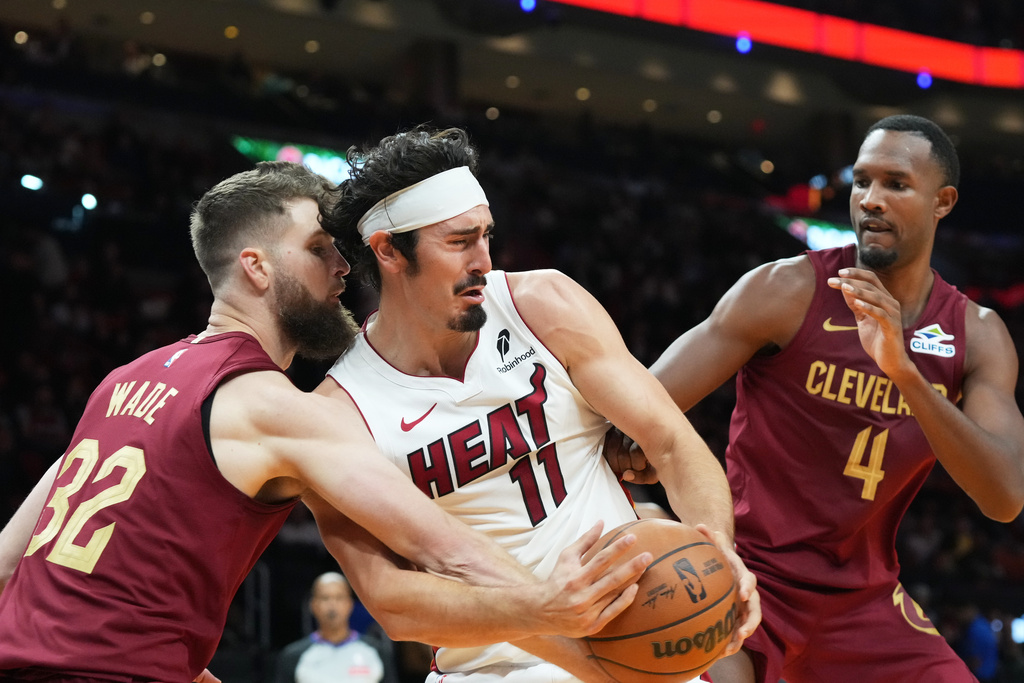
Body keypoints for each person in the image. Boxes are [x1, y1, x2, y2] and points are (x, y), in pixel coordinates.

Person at [0, 161, 656, 682]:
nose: (343, 268)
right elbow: (445, 549)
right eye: (319, 249)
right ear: (255, 267)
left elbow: (11, 564)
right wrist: (594, 649)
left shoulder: (121, 383)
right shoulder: (271, 404)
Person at [316, 126, 760, 682]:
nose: (483, 259)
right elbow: (391, 599)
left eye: (486, 236)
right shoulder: (339, 411)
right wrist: (552, 619)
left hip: (636, 640)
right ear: (389, 251)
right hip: (490, 668)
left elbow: (671, 443)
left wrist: (719, 550)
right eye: (458, 241)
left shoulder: (543, 306)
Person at [643, 114, 1024, 682]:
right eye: (862, 181)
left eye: (895, 184)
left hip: (862, 601)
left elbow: (1004, 497)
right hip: (747, 575)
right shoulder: (784, 291)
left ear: (943, 201)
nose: (871, 200)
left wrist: (907, 374)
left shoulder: (978, 335)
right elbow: (640, 406)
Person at [274, 572, 397, 683]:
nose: (332, 605)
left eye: (339, 598)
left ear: (350, 604)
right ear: (313, 605)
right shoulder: (293, 656)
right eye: (325, 598)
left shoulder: (376, 651)